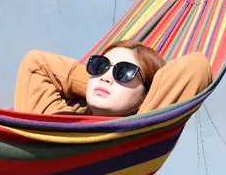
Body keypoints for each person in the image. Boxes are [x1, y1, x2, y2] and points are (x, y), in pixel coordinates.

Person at [13, 39, 213, 117]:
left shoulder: (141, 134)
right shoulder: (56, 119)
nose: (105, 78)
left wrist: (148, 105)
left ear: (146, 95)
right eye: (99, 66)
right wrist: (94, 81)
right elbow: (36, 62)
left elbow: (197, 65)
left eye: (124, 72)